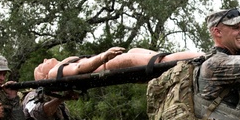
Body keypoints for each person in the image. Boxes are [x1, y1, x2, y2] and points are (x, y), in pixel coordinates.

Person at [33, 47, 204, 81]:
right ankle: (201, 56)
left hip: (110, 61)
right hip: (109, 64)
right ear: (44, 76)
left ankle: (201, 55)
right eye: (40, 67)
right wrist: (103, 57)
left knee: (159, 57)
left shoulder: (60, 64)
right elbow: (79, 68)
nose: (43, 61)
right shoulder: (55, 73)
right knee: (160, 61)